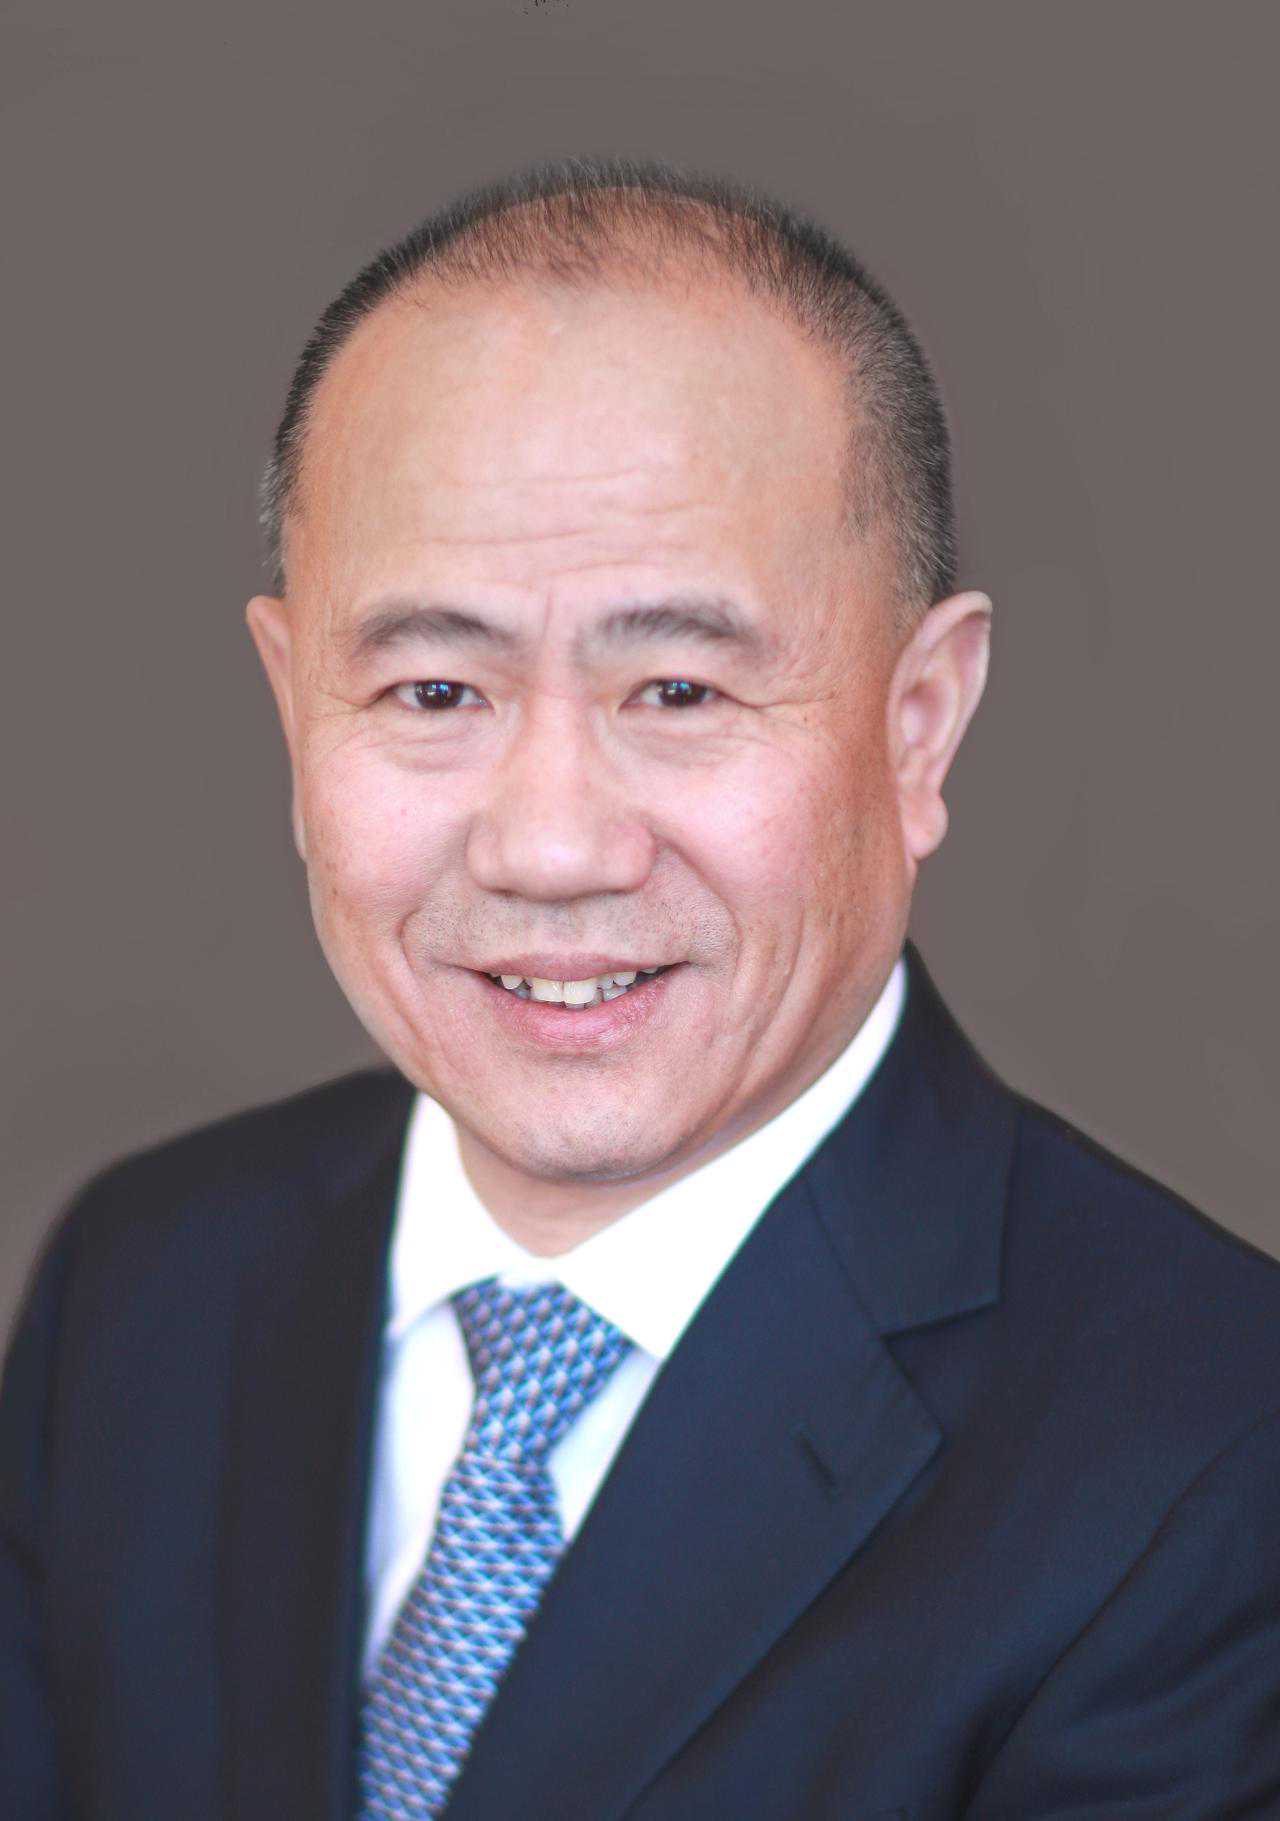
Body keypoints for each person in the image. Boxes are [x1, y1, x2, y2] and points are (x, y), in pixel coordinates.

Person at [3, 155, 1279, 1821]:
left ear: (919, 725)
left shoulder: (1210, 1454)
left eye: (677, 688)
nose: (549, 846)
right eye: (434, 688)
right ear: (292, 703)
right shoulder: (144, 1284)